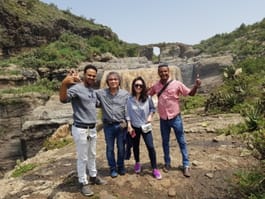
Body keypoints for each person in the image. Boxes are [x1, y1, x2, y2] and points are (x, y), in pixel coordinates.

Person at [59, 65, 106, 197]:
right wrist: (64, 83)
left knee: (92, 154)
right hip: (80, 128)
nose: (91, 77)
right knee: (82, 157)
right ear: (84, 75)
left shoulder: (91, 90)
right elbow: (63, 99)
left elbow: (97, 104)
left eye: (93, 75)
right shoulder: (76, 88)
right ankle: (83, 182)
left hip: (92, 128)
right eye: (89, 75)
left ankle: (93, 175)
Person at [148, 63, 201, 177]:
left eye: (165, 71)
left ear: (169, 72)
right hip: (163, 119)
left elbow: (190, 94)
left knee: (181, 141)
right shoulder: (156, 86)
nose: (163, 73)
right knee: (165, 142)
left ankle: (186, 165)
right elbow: (147, 95)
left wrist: (196, 86)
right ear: (158, 73)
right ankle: (167, 163)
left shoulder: (177, 84)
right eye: (161, 72)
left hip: (176, 118)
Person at [126, 76, 162, 180]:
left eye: (140, 85)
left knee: (150, 147)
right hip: (134, 127)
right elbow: (127, 113)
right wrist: (129, 125)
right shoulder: (129, 99)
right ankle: (137, 162)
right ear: (133, 86)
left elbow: (152, 108)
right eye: (136, 85)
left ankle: (154, 168)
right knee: (136, 146)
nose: (138, 87)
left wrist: (150, 115)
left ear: (143, 87)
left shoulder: (148, 97)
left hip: (145, 126)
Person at [96, 71, 129, 178]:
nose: (113, 81)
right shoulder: (101, 93)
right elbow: (88, 93)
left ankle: (121, 166)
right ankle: (112, 168)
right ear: (107, 82)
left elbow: (129, 109)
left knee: (121, 148)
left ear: (119, 81)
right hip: (108, 126)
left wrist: (128, 123)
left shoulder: (125, 94)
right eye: (111, 79)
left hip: (121, 125)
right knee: (110, 148)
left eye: (115, 79)